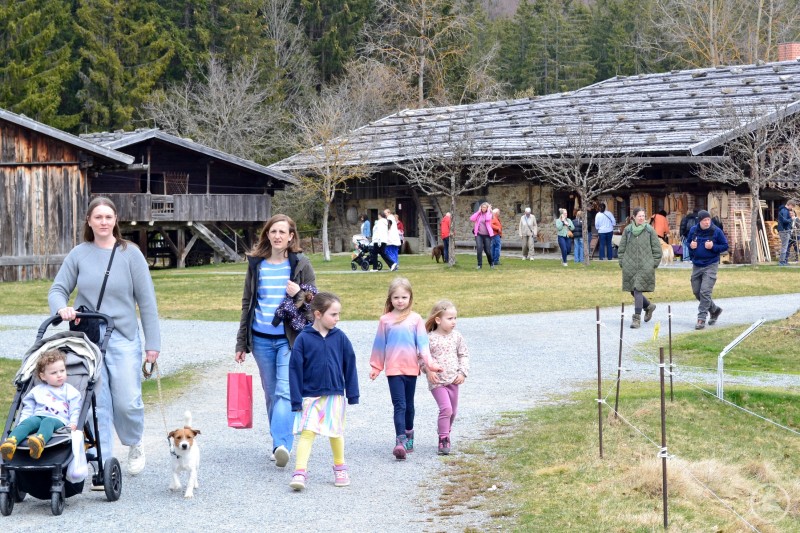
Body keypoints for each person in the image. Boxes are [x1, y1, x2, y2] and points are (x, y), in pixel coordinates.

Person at [49, 196, 160, 477]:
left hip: (122, 335)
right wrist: (62, 308)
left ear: (115, 221)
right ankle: (104, 462)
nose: (103, 222)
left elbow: (146, 301)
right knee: (97, 403)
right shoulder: (79, 254)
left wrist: (153, 344)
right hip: (88, 337)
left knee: (127, 400)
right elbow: (57, 289)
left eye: (108, 217)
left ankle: (134, 442)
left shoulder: (130, 254)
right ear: (89, 221)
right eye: (98, 217)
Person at [235, 214, 316, 468]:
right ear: (267, 234)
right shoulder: (256, 265)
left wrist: (299, 293)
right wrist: (241, 342)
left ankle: (283, 444)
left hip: (289, 338)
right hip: (260, 340)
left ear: (291, 236)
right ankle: (278, 442)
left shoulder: (301, 264)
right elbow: (248, 303)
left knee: (284, 391)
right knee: (271, 394)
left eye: (283, 232)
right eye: (273, 231)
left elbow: (315, 302)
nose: (278, 236)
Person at [288, 292, 359, 491]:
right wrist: (295, 399)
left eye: (338, 314)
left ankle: (340, 468)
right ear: (318, 314)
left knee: (335, 432)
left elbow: (350, 365)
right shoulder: (303, 339)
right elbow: (294, 370)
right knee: (307, 433)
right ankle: (300, 472)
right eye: (333, 314)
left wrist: (352, 393)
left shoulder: (341, 338)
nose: (338, 319)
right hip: (310, 395)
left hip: (335, 394)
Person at [369, 278, 442, 460]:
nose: (400, 301)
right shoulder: (385, 320)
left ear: (410, 298)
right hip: (393, 370)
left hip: (411, 369)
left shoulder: (416, 319)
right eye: (396, 297)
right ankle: (400, 440)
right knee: (399, 405)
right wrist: (376, 367)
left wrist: (430, 363)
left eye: (404, 297)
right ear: (390, 299)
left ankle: (409, 434)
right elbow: (379, 344)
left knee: (409, 406)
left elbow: (423, 345)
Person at [1, 350, 81, 461]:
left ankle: (39, 441)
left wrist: (73, 423)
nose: (59, 375)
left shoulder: (70, 391)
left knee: (48, 421)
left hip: (58, 420)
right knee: (28, 422)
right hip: (38, 416)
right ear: (43, 376)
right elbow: (28, 408)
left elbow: (75, 409)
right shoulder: (37, 391)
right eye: (54, 373)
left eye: (62, 371)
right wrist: (22, 422)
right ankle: (11, 441)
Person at [421, 300, 469, 456]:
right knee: (446, 409)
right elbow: (421, 358)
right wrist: (428, 371)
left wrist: (462, 372)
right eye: (450, 318)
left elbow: (463, 355)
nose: (453, 322)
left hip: (453, 380)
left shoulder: (457, 337)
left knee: (453, 411)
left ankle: (445, 429)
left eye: (455, 318)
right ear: (438, 320)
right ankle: (443, 438)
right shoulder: (429, 338)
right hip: (437, 382)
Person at [617, 207, 662, 329]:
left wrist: (654, 263)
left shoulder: (649, 230)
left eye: (643, 216)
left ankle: (636, 318)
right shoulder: (628, 230)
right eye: (639, 216)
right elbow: (621, 248)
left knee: (637, 289)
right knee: (633, 290)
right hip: (630, 265)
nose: (642, 218)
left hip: (645, 265)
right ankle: (648, 306)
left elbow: (657, 249)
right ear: (634, 217)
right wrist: (622, 262)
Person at [687, 210, 729, 330]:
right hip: (697, 264)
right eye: (705, 220)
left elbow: (725, 246)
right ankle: (714, 310)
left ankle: (701, 319)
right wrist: (691, 246)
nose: (707, 222)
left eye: (708, 220)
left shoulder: (716, 231)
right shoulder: (693, 230)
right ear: (699, 221)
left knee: (705, 292)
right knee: (697, 291)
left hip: (711, 264)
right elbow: (688, 243)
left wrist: (713, 247)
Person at [470, 202, 494, 269]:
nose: (483, 208)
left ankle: (491, 263)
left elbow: (487, 219)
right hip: (479, 234)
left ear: (487, 208)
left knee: (488, 251)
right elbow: (471, 219)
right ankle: (479, 265)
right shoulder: (479, 214)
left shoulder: (489, 213)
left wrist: (489, 210)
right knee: (479, 249)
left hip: (487, 235)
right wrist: (478, 212)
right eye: (482, 207)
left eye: (485, 207)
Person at [777, 199, 797, 266]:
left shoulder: (782, 210)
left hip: (784, 230)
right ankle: (782, 261)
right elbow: (785, 221)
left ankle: (784, 261)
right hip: (784, 230)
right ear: (790, 205)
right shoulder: (784, 211)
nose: (792, 208)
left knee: (784, 246)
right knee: (784, 246)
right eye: (792, 206)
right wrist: (792, 219)